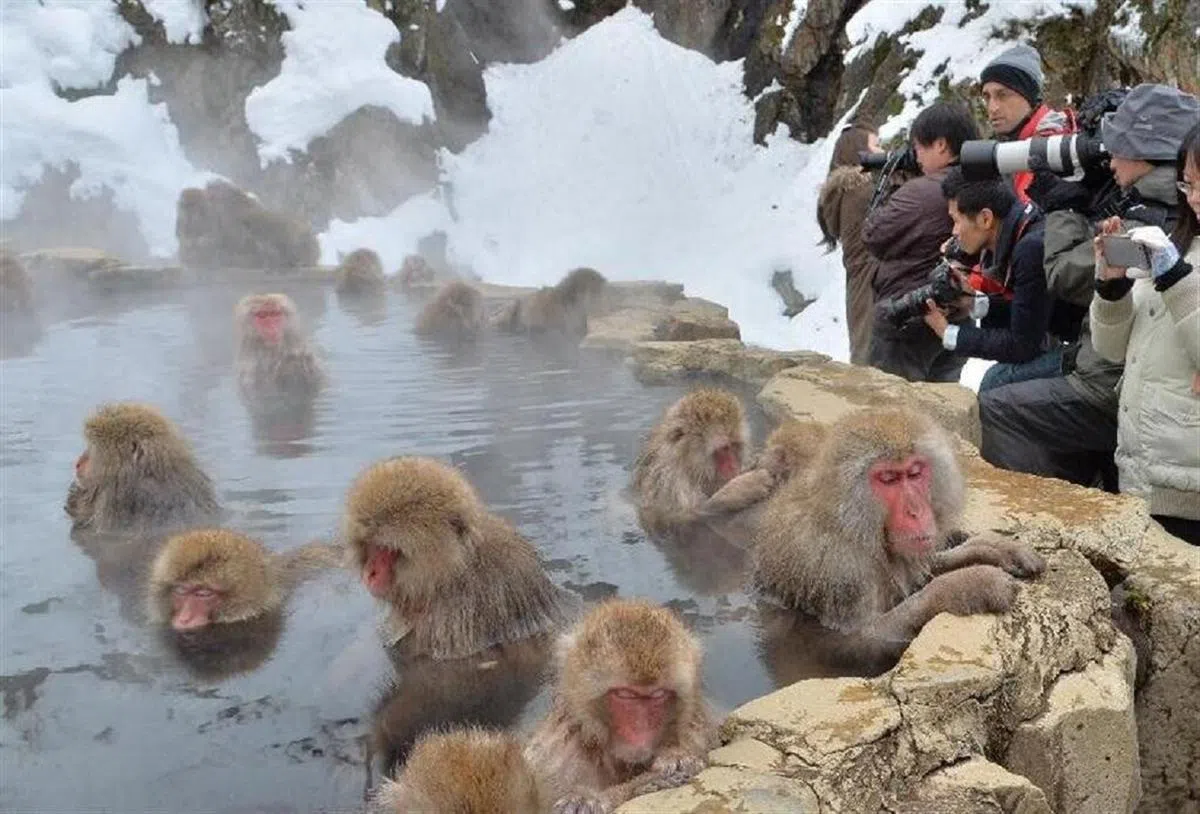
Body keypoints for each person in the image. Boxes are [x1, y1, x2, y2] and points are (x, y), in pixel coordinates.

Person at [978, 84, 1199, 490]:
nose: (1109, 158)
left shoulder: (1152, 221)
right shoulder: (1150, 206)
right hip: (1121, 370)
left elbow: (1062, 274)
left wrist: (1064, 205)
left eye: (1117, 147)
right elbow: (1114, 320)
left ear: (1145, 153)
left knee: (995, 401)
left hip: (1115, 385)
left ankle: (1057, 505)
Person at [1089, 121, 1200, 545]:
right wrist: (1112, 286)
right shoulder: (1180, 246)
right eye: (1189, 185)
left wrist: (1174, 277)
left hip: (1189, 490)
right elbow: (1112, 349)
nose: (1196, 199)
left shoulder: (1175, 263)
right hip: (1143, 474)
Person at [862, 102, 978, 382]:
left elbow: (872, 235)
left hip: (907, 320)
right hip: (956, 315)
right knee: (939, 412)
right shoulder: (979, 183)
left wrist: (892, 180)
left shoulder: (920, 192)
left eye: (919, 148)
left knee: (890, 414)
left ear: (940, 145)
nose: (917, 157)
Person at [921, 168, 1057, 391]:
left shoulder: (1030, 248)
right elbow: (1033, 310)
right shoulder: (1022, 228)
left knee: (995, 386)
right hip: (1075, 340)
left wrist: (950, 334)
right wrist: (974, 303)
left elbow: (1023, 345)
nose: (954, 232)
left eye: (955, 220)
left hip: (1090, 355)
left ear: (985, 218)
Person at [978, 43, 1076, 202]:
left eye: (1003, 95)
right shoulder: (1019, 144)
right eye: (987, 97)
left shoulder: (1052, 145)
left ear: (1029, 98)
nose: (992, 108)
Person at [818, 124, 880, 365]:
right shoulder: (862, 190)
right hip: (870, 279)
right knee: (869, 353)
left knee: (862, 347)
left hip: (859, 280)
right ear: (858, 151)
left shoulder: (845, 191)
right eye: (875, 144)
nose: (881, 150)